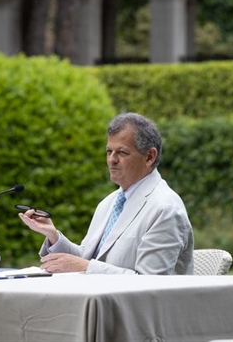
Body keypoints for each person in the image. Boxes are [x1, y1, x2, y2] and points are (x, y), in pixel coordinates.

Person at [19, 112, 194, 275]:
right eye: (109, 152)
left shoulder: (165, 208)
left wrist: (86, 267)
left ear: (149, 157)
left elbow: (150, 283)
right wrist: (53, 236)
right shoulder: (109, 203)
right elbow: (85, 257)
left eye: (122, 152)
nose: (112, 160)